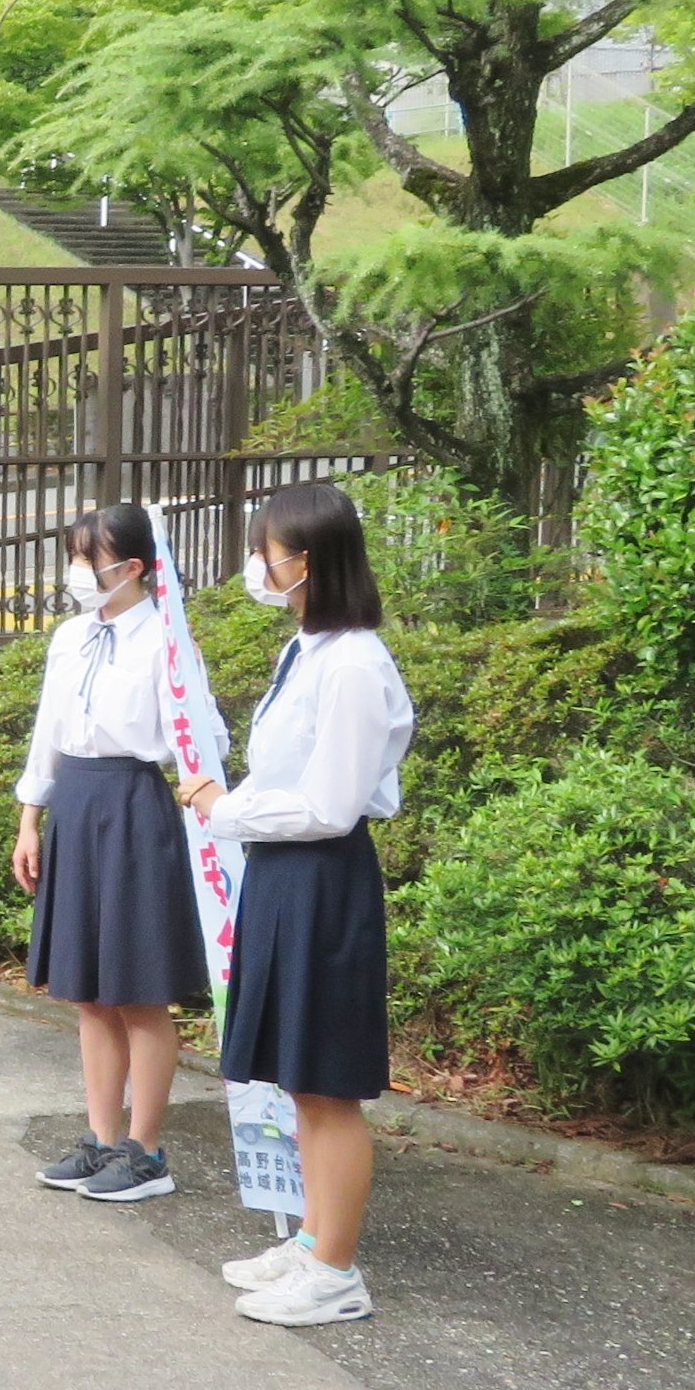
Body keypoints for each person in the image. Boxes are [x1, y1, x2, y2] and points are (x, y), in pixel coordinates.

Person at [182, 483, 414, 1328]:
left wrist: (223, 809)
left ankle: (337, 1269)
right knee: (296, 1075)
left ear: (305, 559)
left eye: (264, 549)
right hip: (281, 873)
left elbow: (332, 804)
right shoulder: (307, 651)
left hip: (320, 876)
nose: (256, 564)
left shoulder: (354, 663)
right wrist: (233, 802)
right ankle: (314, 1239)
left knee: (326, 1083)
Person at [14, 505, 215, 1203]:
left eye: (87, 558)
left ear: (132, 566)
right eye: (72, 556)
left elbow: (198, 734)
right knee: (88, 991)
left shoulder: (166, 637)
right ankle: (101, 1139)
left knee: (138, 990)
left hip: (134, 804)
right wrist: (29, 818)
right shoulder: (70, 638)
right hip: (75, 797)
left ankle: (147, 1149)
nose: (76, 572)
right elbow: (48, 729)